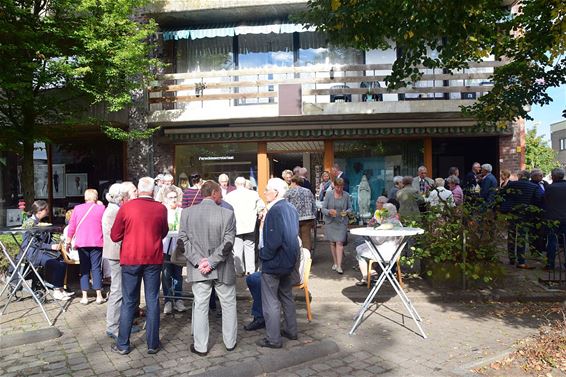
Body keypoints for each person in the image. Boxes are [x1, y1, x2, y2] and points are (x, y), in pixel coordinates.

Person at [110, 177, 168, 355]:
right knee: (152, 300)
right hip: (153, 258)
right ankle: (152, 343)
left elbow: (114, 235)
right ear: (152, 190)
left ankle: (123, 344)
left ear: (139, 189)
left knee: (129, 301)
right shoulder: (160, 208)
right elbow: (164, 231)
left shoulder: (127, 207)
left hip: (131, 258)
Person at [179, 181, 237, 356]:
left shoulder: (187, 213)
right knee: (228, 304)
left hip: (199, 269)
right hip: (222, 268)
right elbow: (228, 243)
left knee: (201, 306)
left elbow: (182, 241)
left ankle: (201, 346)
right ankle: (230, 342)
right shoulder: (227, 214)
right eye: (220, 192)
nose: (221, 196)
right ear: (214, 193)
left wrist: (199, 262)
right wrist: (211, 262)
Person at [256, 178, 300, 349]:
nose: (265, 192)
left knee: (271, 301)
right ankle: (291, 330)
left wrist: (263, 255)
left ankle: (273, 339)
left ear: (276, 192)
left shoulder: (275, 210)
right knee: (286, 296)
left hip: (274, 262)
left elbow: (274, 240)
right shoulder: (291, 208)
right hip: (288, 260)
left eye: (267, 189)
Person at [9, 200, 72, 301]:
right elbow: (32, 243)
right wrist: (50, 247)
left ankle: (60, 289)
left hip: (39, 251)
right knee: (57, 264)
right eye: (46, 210)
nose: (47, 211)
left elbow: (42, 240)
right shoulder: (29, 223)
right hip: (31, 254)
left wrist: (54, 244)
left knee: (62, 261)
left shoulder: (38, 222)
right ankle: (56, 291)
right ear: (39, 211)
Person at [102, 183, 140, 341]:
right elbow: (116, 236)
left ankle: (122, 323)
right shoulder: (113, 211)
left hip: (118, 254)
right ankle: (112, 326)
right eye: (125, 195)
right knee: (117, 290)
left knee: (122, 289)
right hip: (116, 255)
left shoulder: (114, 209)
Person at [244, 245, 310, 332]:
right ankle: (261, 315)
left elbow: (282, 261)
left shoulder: (287, 239)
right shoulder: (289, 236)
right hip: (283, 271)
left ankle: (261, 317)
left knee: (257, 280)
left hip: (287, 275)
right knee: (253, 279)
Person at [66, 189, 106, 305]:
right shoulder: (102, 209)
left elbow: (72, 226)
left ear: (85, 197)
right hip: (97, 242)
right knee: (96, 268)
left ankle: (84, 296)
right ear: (96, 197)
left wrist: (68, 241)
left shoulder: (77, 209)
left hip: (82, 243)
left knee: (84, 269)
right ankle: (98, 295)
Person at [499, 170, 543, 269]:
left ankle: (511, 258)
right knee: (522, 237)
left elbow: (502, 195)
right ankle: (521, 261)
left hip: (512, 213)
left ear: (521, 176)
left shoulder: (512, 184)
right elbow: (539, 199)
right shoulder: (534, 187)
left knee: (511, 235)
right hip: (525, 215)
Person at [224, 177, 265, 275]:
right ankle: (250, 270)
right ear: (245, 183)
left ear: (235, 184)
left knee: (237, 248)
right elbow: (261, 207)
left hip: (236, 225)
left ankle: (239, 270)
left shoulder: (229, 195)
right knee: (250, 248)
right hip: (250, 225)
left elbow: (225, 209)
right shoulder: (253, 194)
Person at [354, 203, 402, 286]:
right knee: (361, 247)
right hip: (395, 252)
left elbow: (378, 241)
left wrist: (371, 234)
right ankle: (373, 272)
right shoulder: (398, 223)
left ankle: (367, 276)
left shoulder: (385, 225)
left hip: (383, 253)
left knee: (360, 252)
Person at [161, 186, 187, 314]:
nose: (173, 200)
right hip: (165, 247)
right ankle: (168, 300)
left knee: (178, 274)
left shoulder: (182, 211)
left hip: (177, 247)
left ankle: (178, 299)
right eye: (170, 197)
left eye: (175, 197)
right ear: (165, 199)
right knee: (166, 275)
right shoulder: (162, 211)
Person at [321, 177, 352, 274]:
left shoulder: (346, 195)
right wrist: (329, 212)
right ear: (334, 186)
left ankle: (339, 265)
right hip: (330, 222)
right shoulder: (329, 194)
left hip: (342, 221)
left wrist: (346, 212)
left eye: (341, 187)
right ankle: (335, 262)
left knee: (339, 242)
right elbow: (323, 209)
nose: (339, 189)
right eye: (337, 187)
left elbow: (350, 208)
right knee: (332, 243)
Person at [285, 175, 317, 253]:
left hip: (294, 219)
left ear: (294, 182)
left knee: (295, 239)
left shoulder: (289, 192)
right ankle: (307, 258)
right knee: (307, 239)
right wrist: (314, 217)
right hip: (308, 218)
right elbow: (314, 205)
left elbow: (285, 206)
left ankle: (298, 257)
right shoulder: (308, 191)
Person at [544, 168, 566, 270]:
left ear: (553, 176)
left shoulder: (550, 188)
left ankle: (550, 264)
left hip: (553, 218)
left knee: (552, 241)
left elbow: (544, 201)